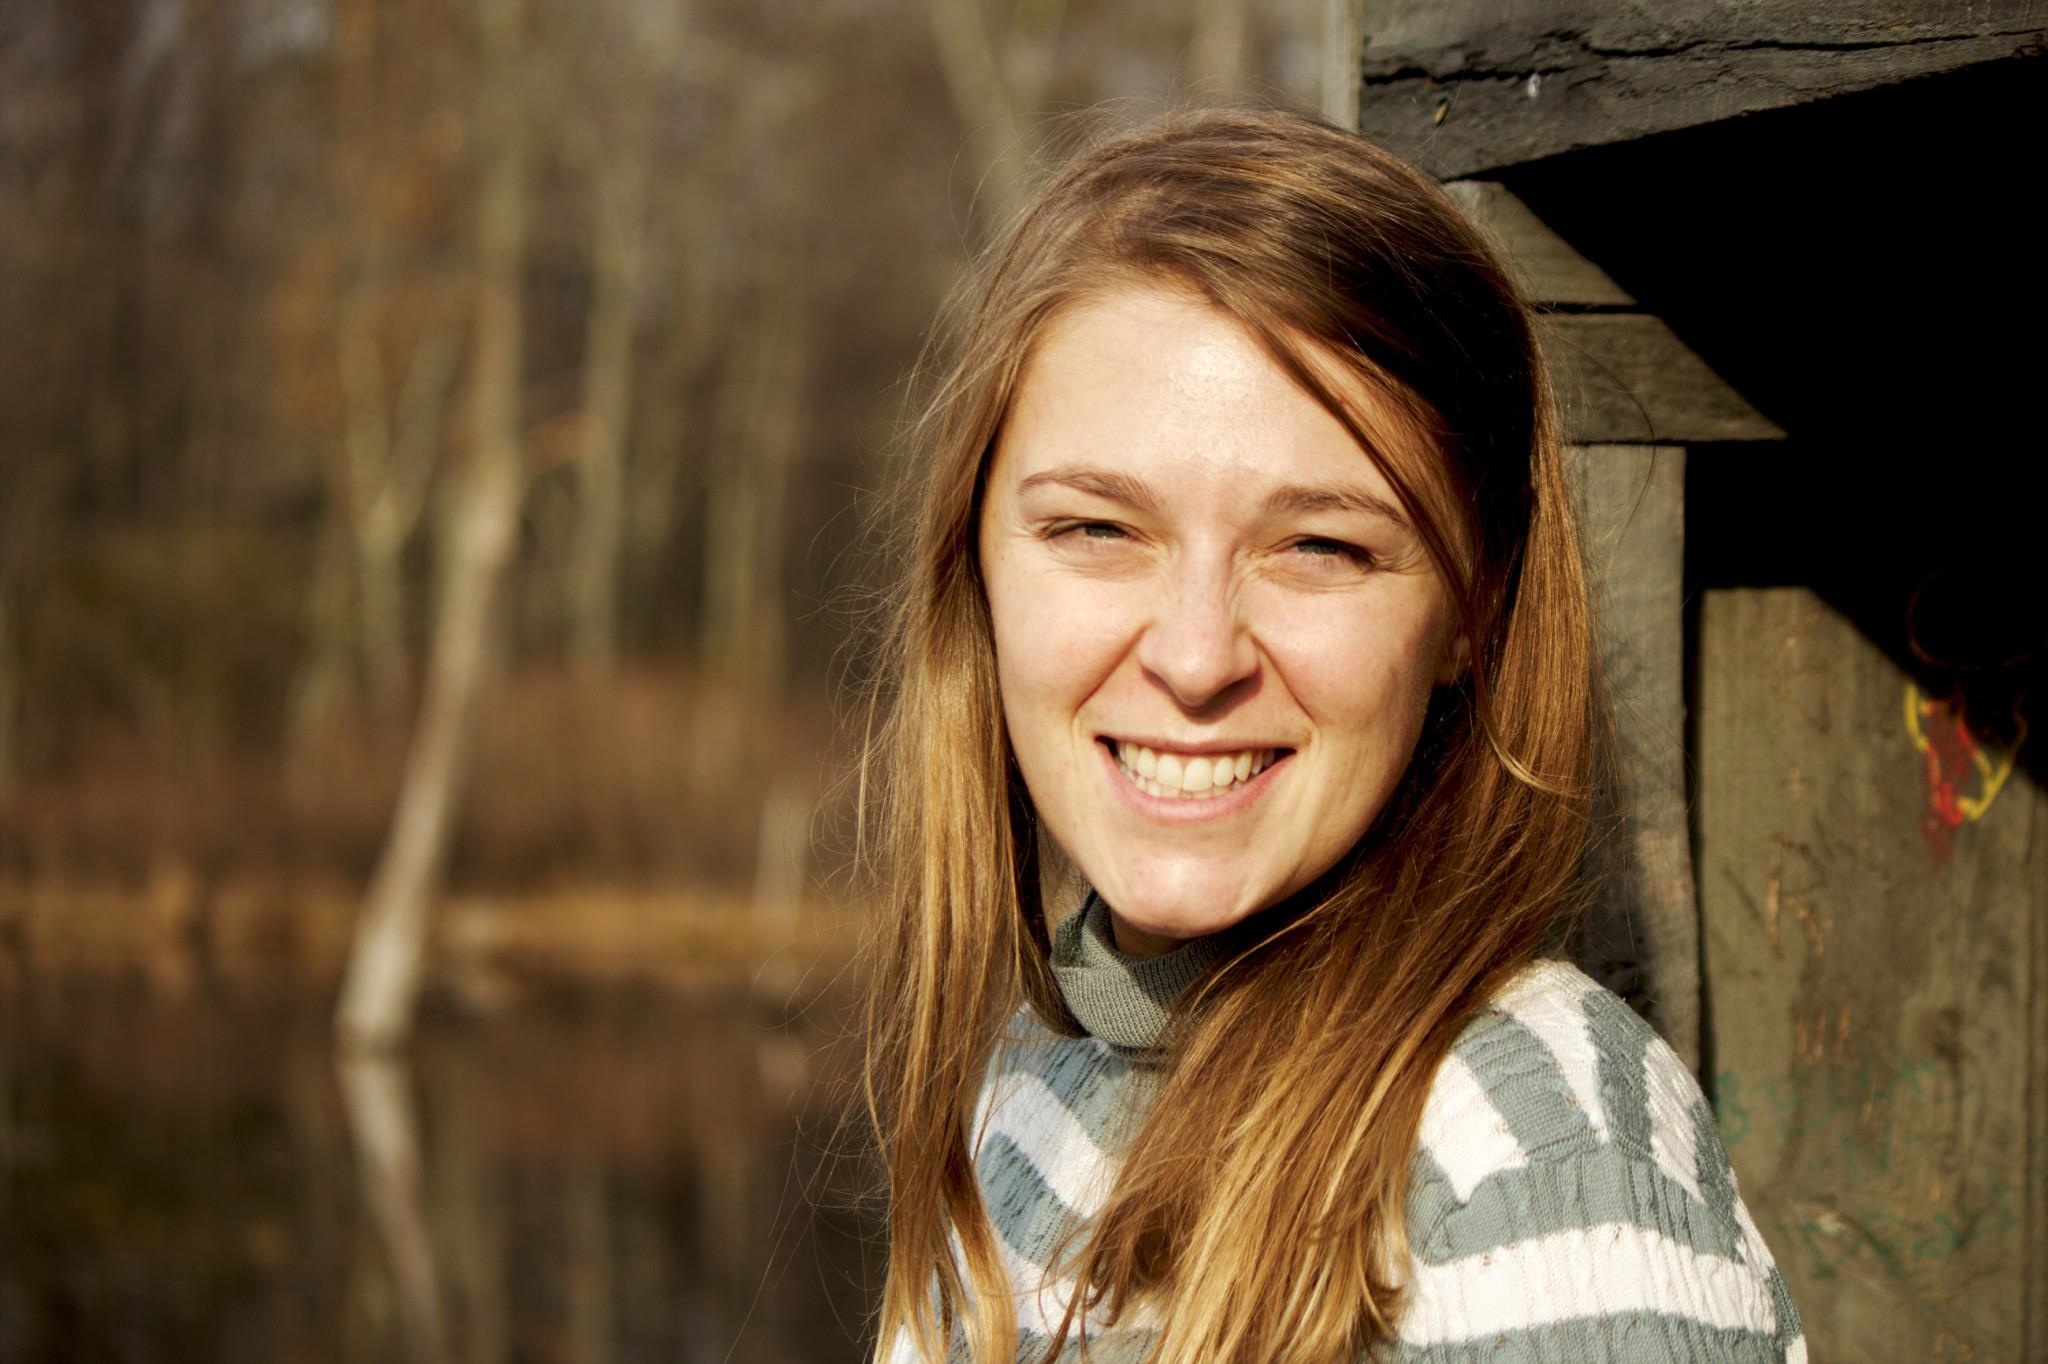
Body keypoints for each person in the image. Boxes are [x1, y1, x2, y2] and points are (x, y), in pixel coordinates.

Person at [858, 106, 1803, 1364]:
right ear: (973, 562)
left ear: (1471, 609)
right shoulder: (1027, 1092)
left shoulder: (1524, 1153)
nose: (1196, 655)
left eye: (1318, 546)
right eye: (1097, 528)